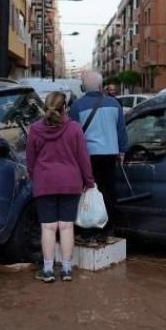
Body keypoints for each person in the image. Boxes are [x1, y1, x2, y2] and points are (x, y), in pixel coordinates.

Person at [26, 91, 95, 283]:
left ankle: (48, 271)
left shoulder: (35, 129)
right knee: (66, 227)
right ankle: (66, 270)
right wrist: (89, 181)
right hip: (70, 183)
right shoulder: (74, 129)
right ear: (65, 107)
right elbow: (83, 158)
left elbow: (30, 160)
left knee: (48, 227)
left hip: (45, 182)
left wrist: (35, 176)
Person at [69, 72, 128, 245]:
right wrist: (122, 152)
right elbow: (121, 131)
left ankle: (89, 234)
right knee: (109, 193)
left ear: (83, 87)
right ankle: (108, 232)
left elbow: (73, 135)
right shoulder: (114, 104)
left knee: (88, 194)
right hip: (110, 155)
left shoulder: (77, 107)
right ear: (101, 86)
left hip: (87, 157)